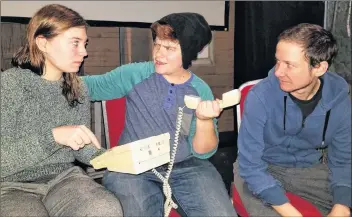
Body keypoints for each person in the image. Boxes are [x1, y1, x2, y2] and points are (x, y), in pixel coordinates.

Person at [83, 13, 237, 217]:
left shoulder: (199, 90)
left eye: (170, 48)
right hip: (131, 168)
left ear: (189, 50)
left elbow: (203, 152)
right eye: (157, 44)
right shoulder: (136, 74)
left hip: (186, 166)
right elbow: (89, 87)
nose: (158, 54)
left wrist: (204, 120)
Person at [0, 4, 123, 216]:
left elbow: (80, 148)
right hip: (11, 186)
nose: (84, 52)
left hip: (64, 179)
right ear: (43, 43)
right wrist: (54, 137)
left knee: (105, 208)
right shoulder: (10, 85)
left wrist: (109, 157)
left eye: (84, 44)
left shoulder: (78, 88)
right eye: (75, 43)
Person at [233, 23, 351, 217]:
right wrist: (290, 212)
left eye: (290, 65)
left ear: (319, 68)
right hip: (260, 169)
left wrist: (342, 206)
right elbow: (250, 165)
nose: (278, 72)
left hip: (308, 170)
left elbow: (343, 160)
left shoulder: (339, 100)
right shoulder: (260, 96)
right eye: (278, 61)